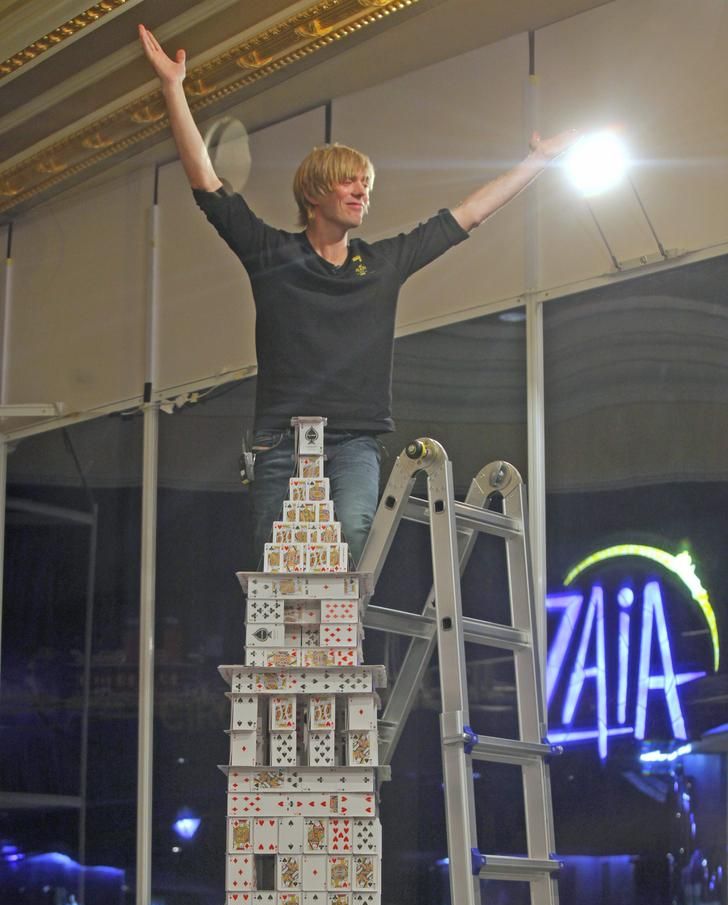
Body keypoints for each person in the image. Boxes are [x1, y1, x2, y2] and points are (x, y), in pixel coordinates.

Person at [138, 24, 576, 565]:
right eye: (349, 182)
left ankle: (342, 646)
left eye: (365, 184)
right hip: (279, 441)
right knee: (273, 565)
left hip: (354, 442)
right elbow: (206, 185)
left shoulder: (382, 263)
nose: (361, 191)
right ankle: (280, 653)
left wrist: (538, 163)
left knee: (353, 537)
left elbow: (469, 216)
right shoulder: (274, 256)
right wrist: (173, 90)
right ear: (315, 193)